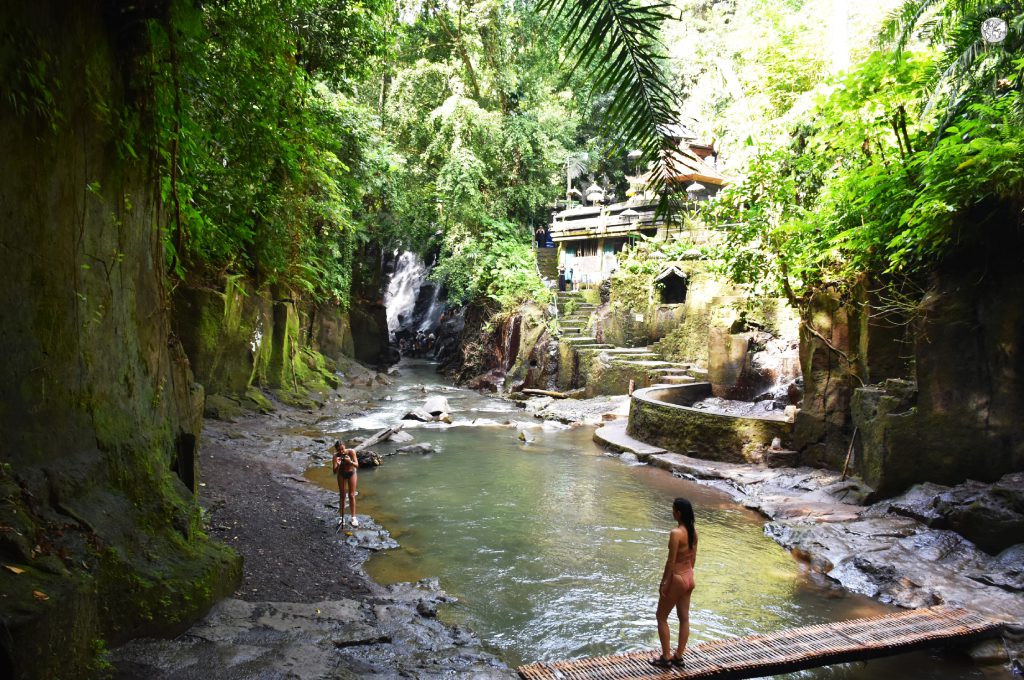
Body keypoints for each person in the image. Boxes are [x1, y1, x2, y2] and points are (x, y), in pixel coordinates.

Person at [651, 497, 697, 669]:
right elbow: (693, 559)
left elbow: (670, 562)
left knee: (661, 616)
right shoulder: (694, 532)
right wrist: (688, 576)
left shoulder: (676, 533)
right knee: (684, 618)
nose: (672, 512)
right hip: (689, 577)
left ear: (678, 513)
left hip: (677, 577)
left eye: (673, 510)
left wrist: (664, 583)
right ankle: (679, 656)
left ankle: (665, 657)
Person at [332, 440, 359, 527]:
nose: (341, 451)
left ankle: (353, 518)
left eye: (342, 449)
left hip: (352, 473)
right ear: (336, 450)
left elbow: (357, 465)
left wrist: (350, 461)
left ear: (344, 446)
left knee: (351, 495)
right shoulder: (335, 456)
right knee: (342, 495)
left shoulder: (351, 452)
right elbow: (334, 471)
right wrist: (338, 464)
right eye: (339, 450)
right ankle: (341, 517)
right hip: (341, 474)